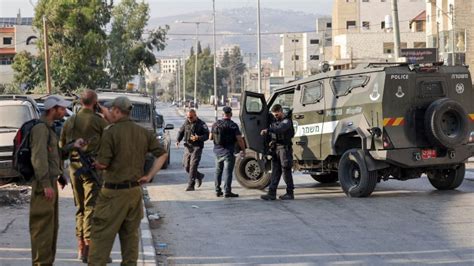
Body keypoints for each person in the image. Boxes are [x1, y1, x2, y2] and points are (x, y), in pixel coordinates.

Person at [88, 96, 168, 265]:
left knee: (101, 239)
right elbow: (162, 154)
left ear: (117, 111)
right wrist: (149, 175)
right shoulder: (143, 132)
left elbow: (103, 163)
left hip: (112, 194)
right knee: (130, 241)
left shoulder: (111, 132)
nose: (109, 112)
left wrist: (95, 163)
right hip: (134, 193)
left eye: (111, 110)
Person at [59, 89, 108, 262]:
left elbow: (62, 149)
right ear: (95, 102)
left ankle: (81, 249)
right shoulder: (98, 121)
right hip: (92, 170)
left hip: (74, 169)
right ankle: (91, 249)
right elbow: (113, 133)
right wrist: (102, 110)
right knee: (91, 208)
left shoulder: (70, 121)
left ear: (80, 103)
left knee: (80, 209)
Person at [29, 95, 79, 265]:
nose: (64, 111)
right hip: (43, 186)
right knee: (42, 229)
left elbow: (54, 156)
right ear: (52, 110)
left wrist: (73, 146)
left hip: (50, 183)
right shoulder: (40, 130)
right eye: (61, 109)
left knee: (50, 229)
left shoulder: (49, 129)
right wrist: (44, 184)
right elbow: (39, 158)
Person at [260, 104, 295, 200]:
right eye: (274, 115)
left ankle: (290, 193)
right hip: (276, 149)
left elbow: (280, 129)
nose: (275, 116)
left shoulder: (287, 121)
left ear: (281, 111)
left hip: (284, 149)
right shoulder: (275, 122)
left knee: (286, 170)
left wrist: (268, 130)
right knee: (275, 171)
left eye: (277, 114)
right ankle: (271, 193)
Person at [210, 106, 246, 198]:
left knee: (218, 171)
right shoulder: (233, 125)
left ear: (223, 114)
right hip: (228, 152)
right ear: (231, 114)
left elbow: (210, 137)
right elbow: (239, 139)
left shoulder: (215, 124)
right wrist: (243, 149)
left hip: (217, 152)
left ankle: (217, 191)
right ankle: (227, 191)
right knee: (228, 172)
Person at [176, 109, 209, 191]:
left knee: (193, 165)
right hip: (188, 146)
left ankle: (191, 185)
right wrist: (178, 140)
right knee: (186, 166)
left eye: (191, 117)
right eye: (188, 117)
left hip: (197, 147)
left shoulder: (202, 124)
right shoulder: (186, 122)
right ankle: (199, 176)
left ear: (195, 116)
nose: (189, 119)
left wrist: (198, 138)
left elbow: (207, 135)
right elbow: (181, 132)